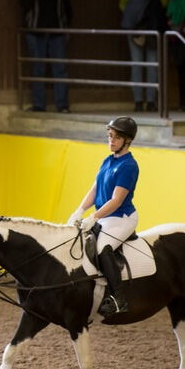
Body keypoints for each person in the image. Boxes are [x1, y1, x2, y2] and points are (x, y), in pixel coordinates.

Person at [67, 117, 140, 316]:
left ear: (127, 141)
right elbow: (95, 189)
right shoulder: (107, 161)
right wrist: (80, 210)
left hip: (121, 217)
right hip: (104, 216)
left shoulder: (129, 166)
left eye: (116, 138)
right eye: (110, 136)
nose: (112, 141)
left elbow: (116, 200)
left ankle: (119, 299)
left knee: (102, 248)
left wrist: (94, 217)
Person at [18, 0, 73, 113]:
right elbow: (24, 4)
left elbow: (67, 6)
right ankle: (39, 105)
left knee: (60, 69)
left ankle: (63, 105)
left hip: (57, 31)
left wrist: (68, 28)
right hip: (36, 32)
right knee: (38, 69)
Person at [120, 0, 170, 113]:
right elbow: (123, 3)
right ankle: (138, 101)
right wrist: (137, 20)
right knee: (137, 64)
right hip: (135, 28)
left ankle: (150, 101)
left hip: (153, 29)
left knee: (152, 65)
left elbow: (163, 3)